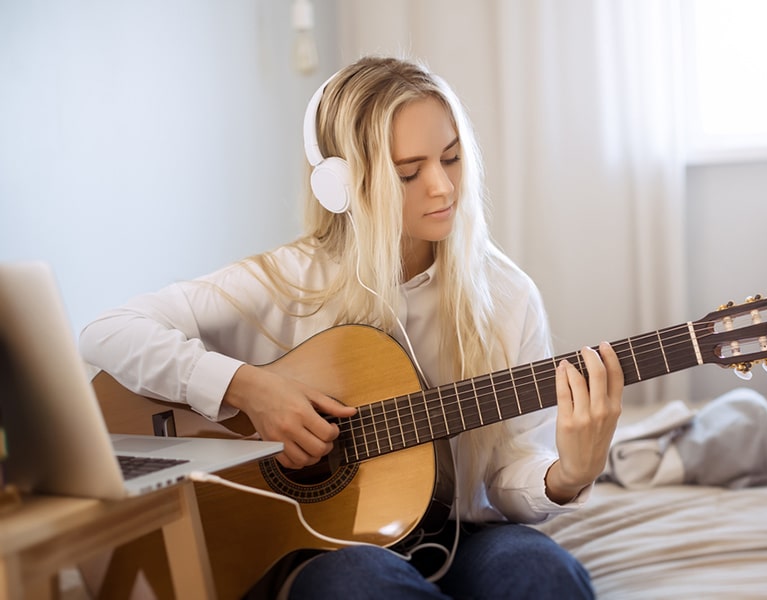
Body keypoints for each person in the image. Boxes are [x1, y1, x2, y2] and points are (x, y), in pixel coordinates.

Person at [79, 55, 624, 599]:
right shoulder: (289, 280)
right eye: (408, 172)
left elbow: (508, 472)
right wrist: (251, 388)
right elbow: (109, 331)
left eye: (452, 159)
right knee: (360, 586)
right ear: (341, 185)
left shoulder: (505, 295)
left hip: (466, 534)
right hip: (325, 547)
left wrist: (568, 476)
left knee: (541, 576)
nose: (442, 188)